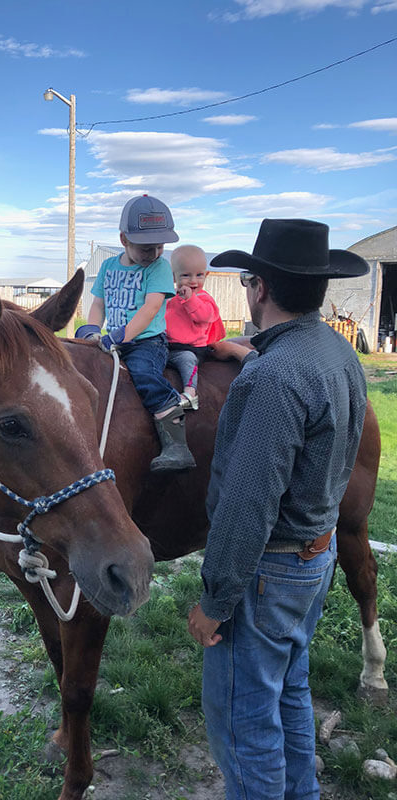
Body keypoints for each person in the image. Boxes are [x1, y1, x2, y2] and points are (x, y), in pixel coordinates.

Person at [186, 218, 369, 800]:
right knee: (289, 691)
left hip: (269, 572)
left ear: (259, 288)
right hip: (316, 556)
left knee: (243, 727)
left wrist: (216, 602)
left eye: (246, 280)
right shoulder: (337, 352)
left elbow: (247, 506)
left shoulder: (273, 378)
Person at [76, 194, 196, 472]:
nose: (152, 253)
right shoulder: (108, 267)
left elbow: (151, 308)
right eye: (144, 247)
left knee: (145, 376)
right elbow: (98, 303)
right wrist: (93, 329)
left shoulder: (160, 268)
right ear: (123, 240)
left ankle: (177, 445)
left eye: (158, 247)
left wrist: (123, 334)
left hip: (146, 341)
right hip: (115, 339)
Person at [165, 245, 226, 410]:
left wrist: (190, 299)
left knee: (188, 362)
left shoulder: (204, 299)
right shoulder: (170, 299)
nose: (193, 281)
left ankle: (190, 393)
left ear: (206, 275)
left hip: (192, 348)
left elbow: (204, 316)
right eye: (186, 275)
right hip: (168, 345)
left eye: (199, 275)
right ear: (174, 277)